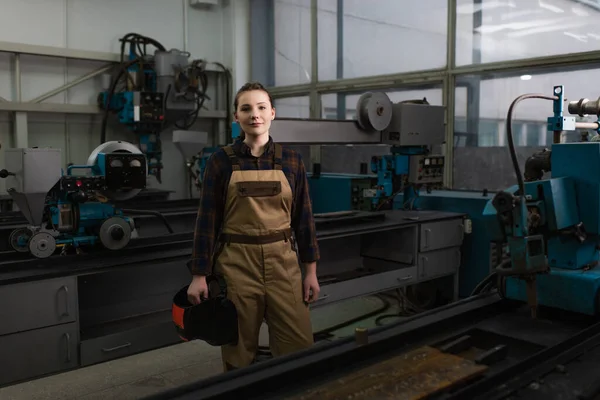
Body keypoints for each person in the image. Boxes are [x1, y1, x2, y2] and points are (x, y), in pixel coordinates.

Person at [186, 81, 321, 372]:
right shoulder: (221, 162)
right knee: (238, 352)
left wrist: (310, 272)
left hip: (283, 265)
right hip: (237, 267)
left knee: (298, 349)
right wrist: (199, 275)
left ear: (272, 113)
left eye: (261, 107)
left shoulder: (292, 160)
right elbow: (207, 220)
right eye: (246, 108)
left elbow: (304, 220)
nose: (254, 114)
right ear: (237, 117)